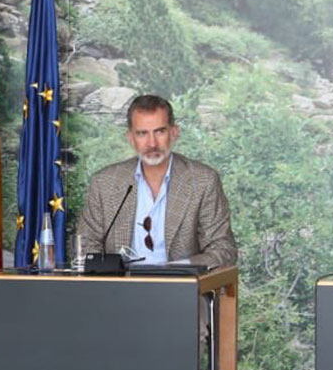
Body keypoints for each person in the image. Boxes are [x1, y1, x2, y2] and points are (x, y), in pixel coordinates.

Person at [78, 94, 238, 268]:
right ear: (130, 138)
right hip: (119, 289)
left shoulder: (203, 181)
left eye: (160, 131)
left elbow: (223, 249)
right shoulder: (104, 183)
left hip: (181, 289)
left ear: (174, 132)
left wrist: (174, 270)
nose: (152, 143)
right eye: (142, 134)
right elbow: (86, 245)